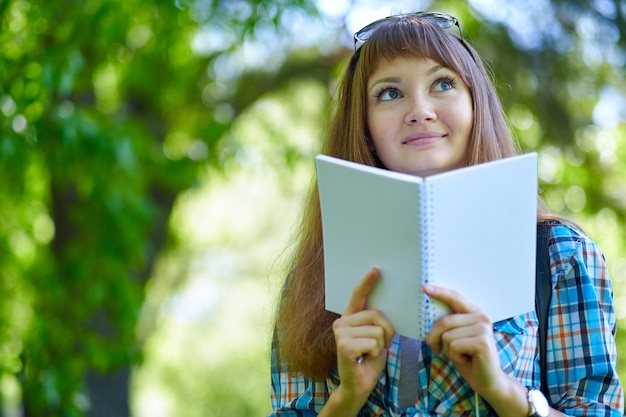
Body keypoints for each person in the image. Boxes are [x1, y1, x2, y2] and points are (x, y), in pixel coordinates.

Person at [268, 11, 624, 417]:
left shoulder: (560, 256)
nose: (420, 110)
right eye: (389, 93)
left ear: (476, 105)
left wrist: (502, 391)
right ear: (362, 124)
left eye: (442, 84)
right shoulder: (315, 275)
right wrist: (347, 398)